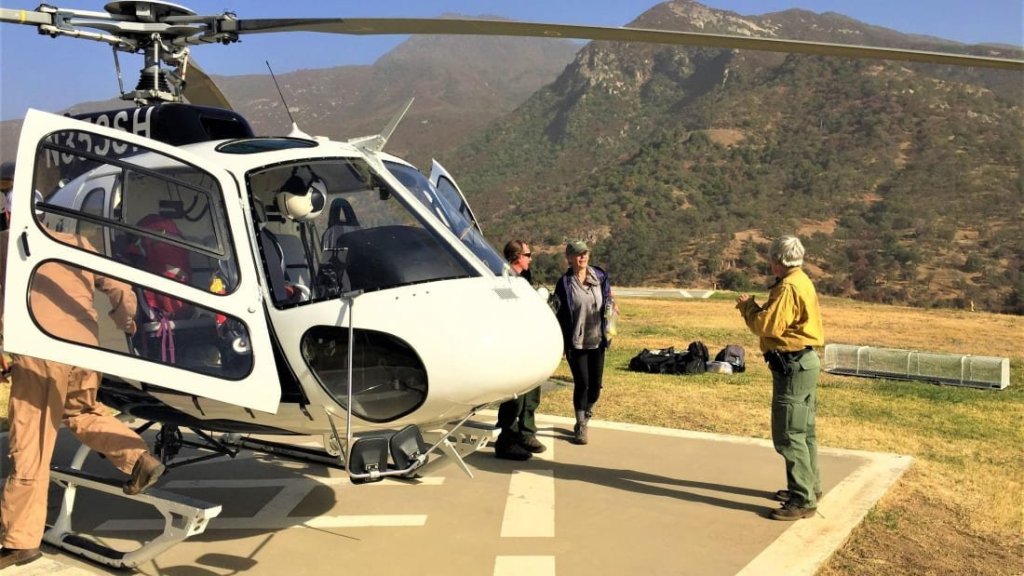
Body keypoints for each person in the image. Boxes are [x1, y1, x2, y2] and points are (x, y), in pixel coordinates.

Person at [0, 189, 165, 569]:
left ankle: (19, 539)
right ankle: (139, 458)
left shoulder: (8, 247)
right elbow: (120, 287)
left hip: (41, 351)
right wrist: (127, 322)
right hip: (84, 353)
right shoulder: (78, 243)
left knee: (31, 442)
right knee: (83, 411)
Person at [735, 235, 825, 521]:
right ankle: (808, 487)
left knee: (788, 434)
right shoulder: (801, 280)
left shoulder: (788, 287)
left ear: (777, 260)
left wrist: (749, 307)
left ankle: (803, 499)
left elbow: (768, 327)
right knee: (804, 431)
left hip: (792, 364)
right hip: (804, 362)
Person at [553, 240, 615, 445]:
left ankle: (587, 413)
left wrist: (612, 308)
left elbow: (608, 297)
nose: (583, 257)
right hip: (576, 342)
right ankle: (580, 424)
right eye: (578, 254)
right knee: (583, 383)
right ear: (569, 258)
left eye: (585, 253)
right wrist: (562, 343)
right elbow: (560, 314)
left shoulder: (599, 276)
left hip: (597, 339)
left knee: (596, 387)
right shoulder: (564, 283)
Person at [493, 240, 545, 460]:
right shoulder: (503, 280)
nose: (530, 258)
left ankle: (524, 433)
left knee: (530, 389)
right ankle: (507, 440)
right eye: (527, 254)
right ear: (517, 257)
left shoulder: (524, 279)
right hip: (513, 345)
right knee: (513, 395)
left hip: (527, 342)